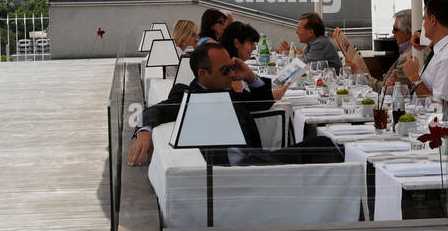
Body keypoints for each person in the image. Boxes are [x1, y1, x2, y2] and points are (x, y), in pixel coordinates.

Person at [128, 42, 340, 166]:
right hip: (242, 168)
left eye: (231, 67)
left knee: (327, 144)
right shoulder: (189, 97)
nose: (231, 73)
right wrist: (144, 132)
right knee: (327, 147)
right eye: (225, 70)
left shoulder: (224, 90)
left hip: (256, 158)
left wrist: (249, 76)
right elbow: (154, 111)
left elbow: (261, 103)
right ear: (203, 73)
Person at [403, 0, 448, 115]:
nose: (423, 25)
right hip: (426, 121)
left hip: (441, 128)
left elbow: (437, 109)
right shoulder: (443, 50)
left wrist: (414, 77)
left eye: (424, 19)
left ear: (433, 20)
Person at [332, 9, 418, 91]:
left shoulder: (408, 57)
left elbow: (384, 90)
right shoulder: (408, 52)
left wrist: (357, 72)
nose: (392, 32)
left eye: (395, 29)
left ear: (407, 34)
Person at [221, 20, 290, 99]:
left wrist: (252, 77)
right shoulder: (228, 74)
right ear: (237, 43)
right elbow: (245, 104)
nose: (254, 47)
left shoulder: (235, 67)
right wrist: (272, 96)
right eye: (251, 43)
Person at [276, 12, 342, 70]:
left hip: (334, 82)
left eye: (299, 29)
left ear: (310, 32)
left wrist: (288, 55)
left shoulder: (320, 44)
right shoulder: (314, 42)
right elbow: (304, 59)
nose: (296, 32)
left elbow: (301, 66)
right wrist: (289, 52)